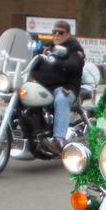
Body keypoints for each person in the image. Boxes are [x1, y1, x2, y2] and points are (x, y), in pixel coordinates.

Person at [31, 20, 85, 156]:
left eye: (60, 32)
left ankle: (58, 140)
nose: (56, 35)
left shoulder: (74, 48)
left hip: (65, 87)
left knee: (61, 98)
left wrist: (58, 61)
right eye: (54, 32)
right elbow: (34, 64)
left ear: (68, 34)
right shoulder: (47, 47)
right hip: (45, 87)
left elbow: (74, 65)